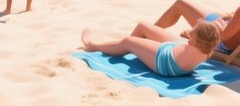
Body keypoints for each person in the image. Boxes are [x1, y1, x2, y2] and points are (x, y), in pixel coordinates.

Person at [79, 20, 220, 77]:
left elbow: (189, 37)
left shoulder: (191, 45)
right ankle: (126, 47)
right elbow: (200, 34)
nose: (189, 34)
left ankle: (91, 45)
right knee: (143, 26)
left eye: (192, 35)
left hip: (165, 62)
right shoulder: (207, 49)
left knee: (128, 41)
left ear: (196, 40)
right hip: (176, 53)